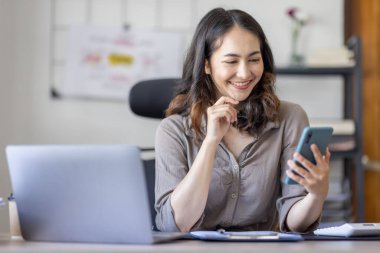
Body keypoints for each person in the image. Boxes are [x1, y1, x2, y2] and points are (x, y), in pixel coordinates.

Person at [154, 7, 330, 233]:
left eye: (254, 59)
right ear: (206, 64)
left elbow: (295, 222)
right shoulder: (173, 131)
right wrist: (211, 142)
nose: (245, 73)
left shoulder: (290, 119)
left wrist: (317, 195)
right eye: (231, 61)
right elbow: (175, 224)